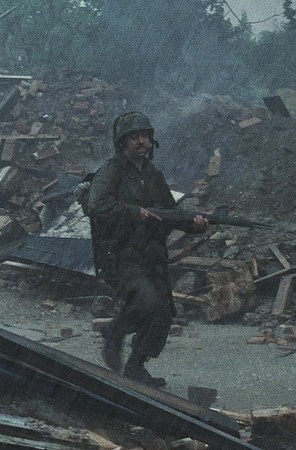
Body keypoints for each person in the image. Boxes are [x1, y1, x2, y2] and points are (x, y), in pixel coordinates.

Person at [82, 111, 208, 387]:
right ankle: (115, 332)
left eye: (145, 136)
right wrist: (134, 212)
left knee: (162, 314)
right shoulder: (111, 172)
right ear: (122, 142)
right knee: (146, 300)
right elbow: (97, 206)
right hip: (121, 254)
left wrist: (194, 224)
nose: (142, 142)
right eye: (135, 137)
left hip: (153, 254)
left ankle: (136, 366)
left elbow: (169, 213)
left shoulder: (153, 175)